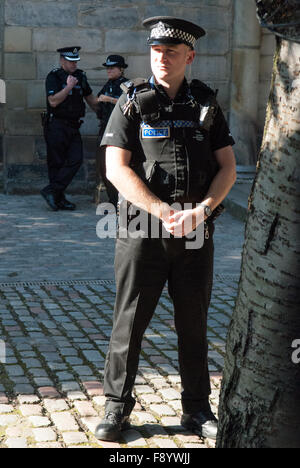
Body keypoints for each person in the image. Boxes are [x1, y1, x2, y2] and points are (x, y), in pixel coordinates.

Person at [95, 17, 237, 442]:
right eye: (156, 51)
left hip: (195, 230)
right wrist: (160, 210)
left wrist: (204, 209)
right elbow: (115, 168)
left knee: (193, 323)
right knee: (130, 322)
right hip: (142, 229)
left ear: (188, 56)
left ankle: (197, 411)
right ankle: (116, 409)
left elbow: (228, 166)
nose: (161, 58)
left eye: (171, 52)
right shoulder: (131, 102)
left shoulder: (205, 105)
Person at [41, 46, 100, 211]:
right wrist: (67, 87)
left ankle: (51, 192)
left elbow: (90, 98)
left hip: (73, 126)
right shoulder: (54, 76)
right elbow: (53, 101)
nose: (74, 65)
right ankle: (58, 199)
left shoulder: (80, 76)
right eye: (70, 61)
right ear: (62, 61)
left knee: (76, 159)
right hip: (56, 125)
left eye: (75, 61)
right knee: (56, 164)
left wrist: (103, 111)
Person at [95, 55, 129, 206]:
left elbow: (128, 102)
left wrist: (108, 99)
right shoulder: (108, 84)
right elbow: (98, 101)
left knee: (119, 165)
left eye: (112, 68)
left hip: (119, 130)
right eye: (107, 68)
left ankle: (120, 200)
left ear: (121, 69)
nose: (108, 70)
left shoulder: (126, 84)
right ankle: (112, 200)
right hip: (105, 128)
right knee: (104, 165)